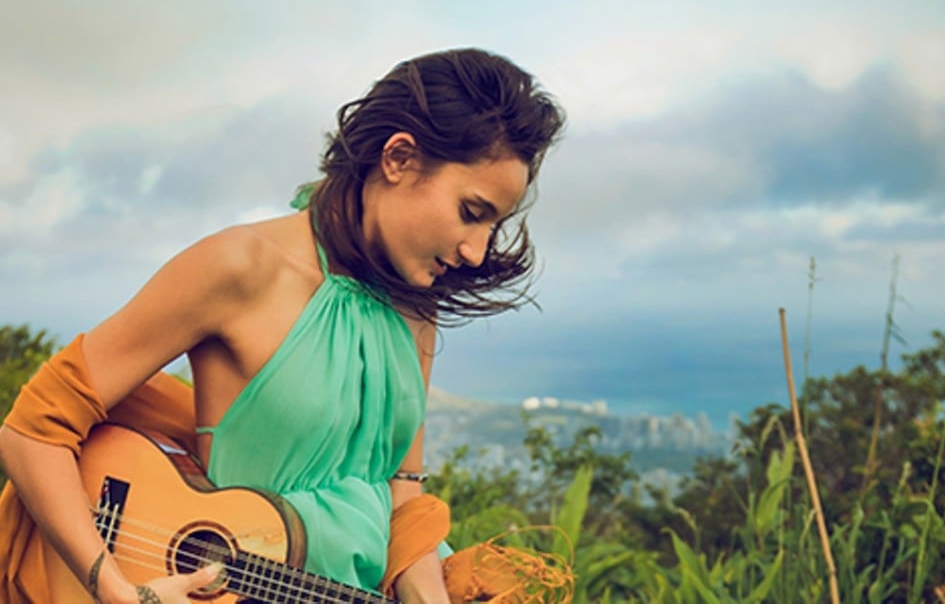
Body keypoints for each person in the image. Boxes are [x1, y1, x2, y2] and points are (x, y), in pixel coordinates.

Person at [0, 48, 566, 603]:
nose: (476, 251)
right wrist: (116, 590)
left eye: (493, 225)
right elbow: (32, 433)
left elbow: (401, 489)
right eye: (471, 212)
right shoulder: (239, 267)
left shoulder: (417, 304)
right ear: (398, 158)